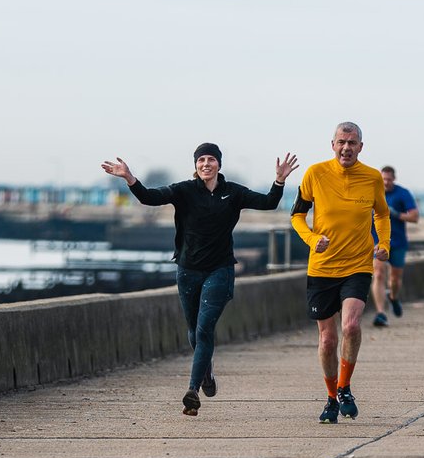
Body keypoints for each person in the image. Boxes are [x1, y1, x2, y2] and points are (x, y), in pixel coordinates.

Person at [101, 144, 299, 416]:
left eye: (211, 160)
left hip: (220, 270)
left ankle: (192, 390)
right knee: (194, 331)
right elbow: (150, 197)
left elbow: (268, 203)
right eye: (201, 160)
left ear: (219, 164)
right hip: (187, 270)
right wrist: (130, 178)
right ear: (195, 165)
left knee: (205, 328)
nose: (206, 164)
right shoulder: (184, 190)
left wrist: (279, 180)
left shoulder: (234, 192)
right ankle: (206, 375)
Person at [291, 122, 391, 424]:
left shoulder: (372, 177)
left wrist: (384, 243)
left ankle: (345, 387)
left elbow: (382, 213)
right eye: (341, 142)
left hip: (358, 265)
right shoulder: (315, 174)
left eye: (352, 142)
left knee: (350, 326)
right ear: (332, 144)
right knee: (327, 340)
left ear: (361, 146)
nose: (346, 147)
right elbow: (297, 215)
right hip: (322, 267)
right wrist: (311, 240)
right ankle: (332, 397)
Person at [371, 166, 419, 327]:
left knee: (395, 279)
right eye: (383, 179)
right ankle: (380, 313)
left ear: (394, 179)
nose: (386, 182)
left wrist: (396, 214)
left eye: (389, 179)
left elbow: (414, 217)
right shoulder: (371, 192)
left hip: (397, 242)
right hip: (377, 242)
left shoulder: (402, 193)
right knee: (378, 274)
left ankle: (393, 297)